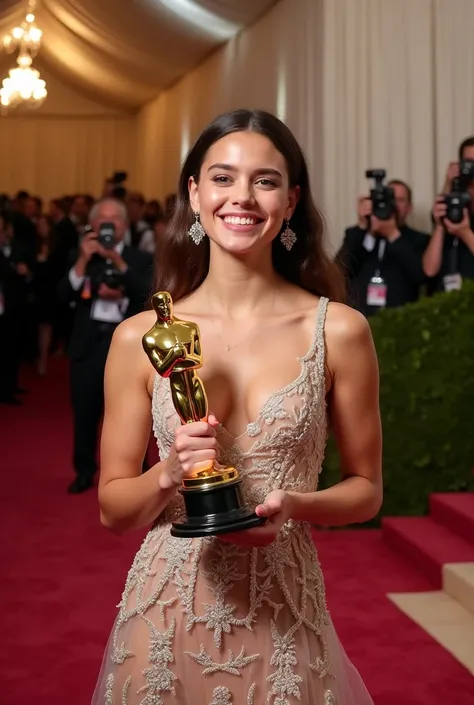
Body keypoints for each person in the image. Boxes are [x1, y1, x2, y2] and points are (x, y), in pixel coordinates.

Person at [92, 109, 382, 704]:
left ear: (292, 199)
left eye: (266, 180)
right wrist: (168, 471)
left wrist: (296, 505)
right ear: (194, 194)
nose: (242, 197)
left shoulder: (340, 331)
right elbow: (113, 510)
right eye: (222, 178)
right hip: (165, 617)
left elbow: (366, 489)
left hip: (286, 621)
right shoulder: (139, 338)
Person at [57, 198, 153, 494]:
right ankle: (84, 471)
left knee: (134, 413)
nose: (108, 226)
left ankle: (140, 471)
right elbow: (61, 297)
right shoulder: (79, 254)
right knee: (84, 411)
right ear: (93, 225)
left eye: (115, 220)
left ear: (125, 226)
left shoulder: (140, 258)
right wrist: (84, 260)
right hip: (88, 344)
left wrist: (119, 263)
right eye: (102, 220)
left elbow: (147, 294)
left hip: (128, 350)